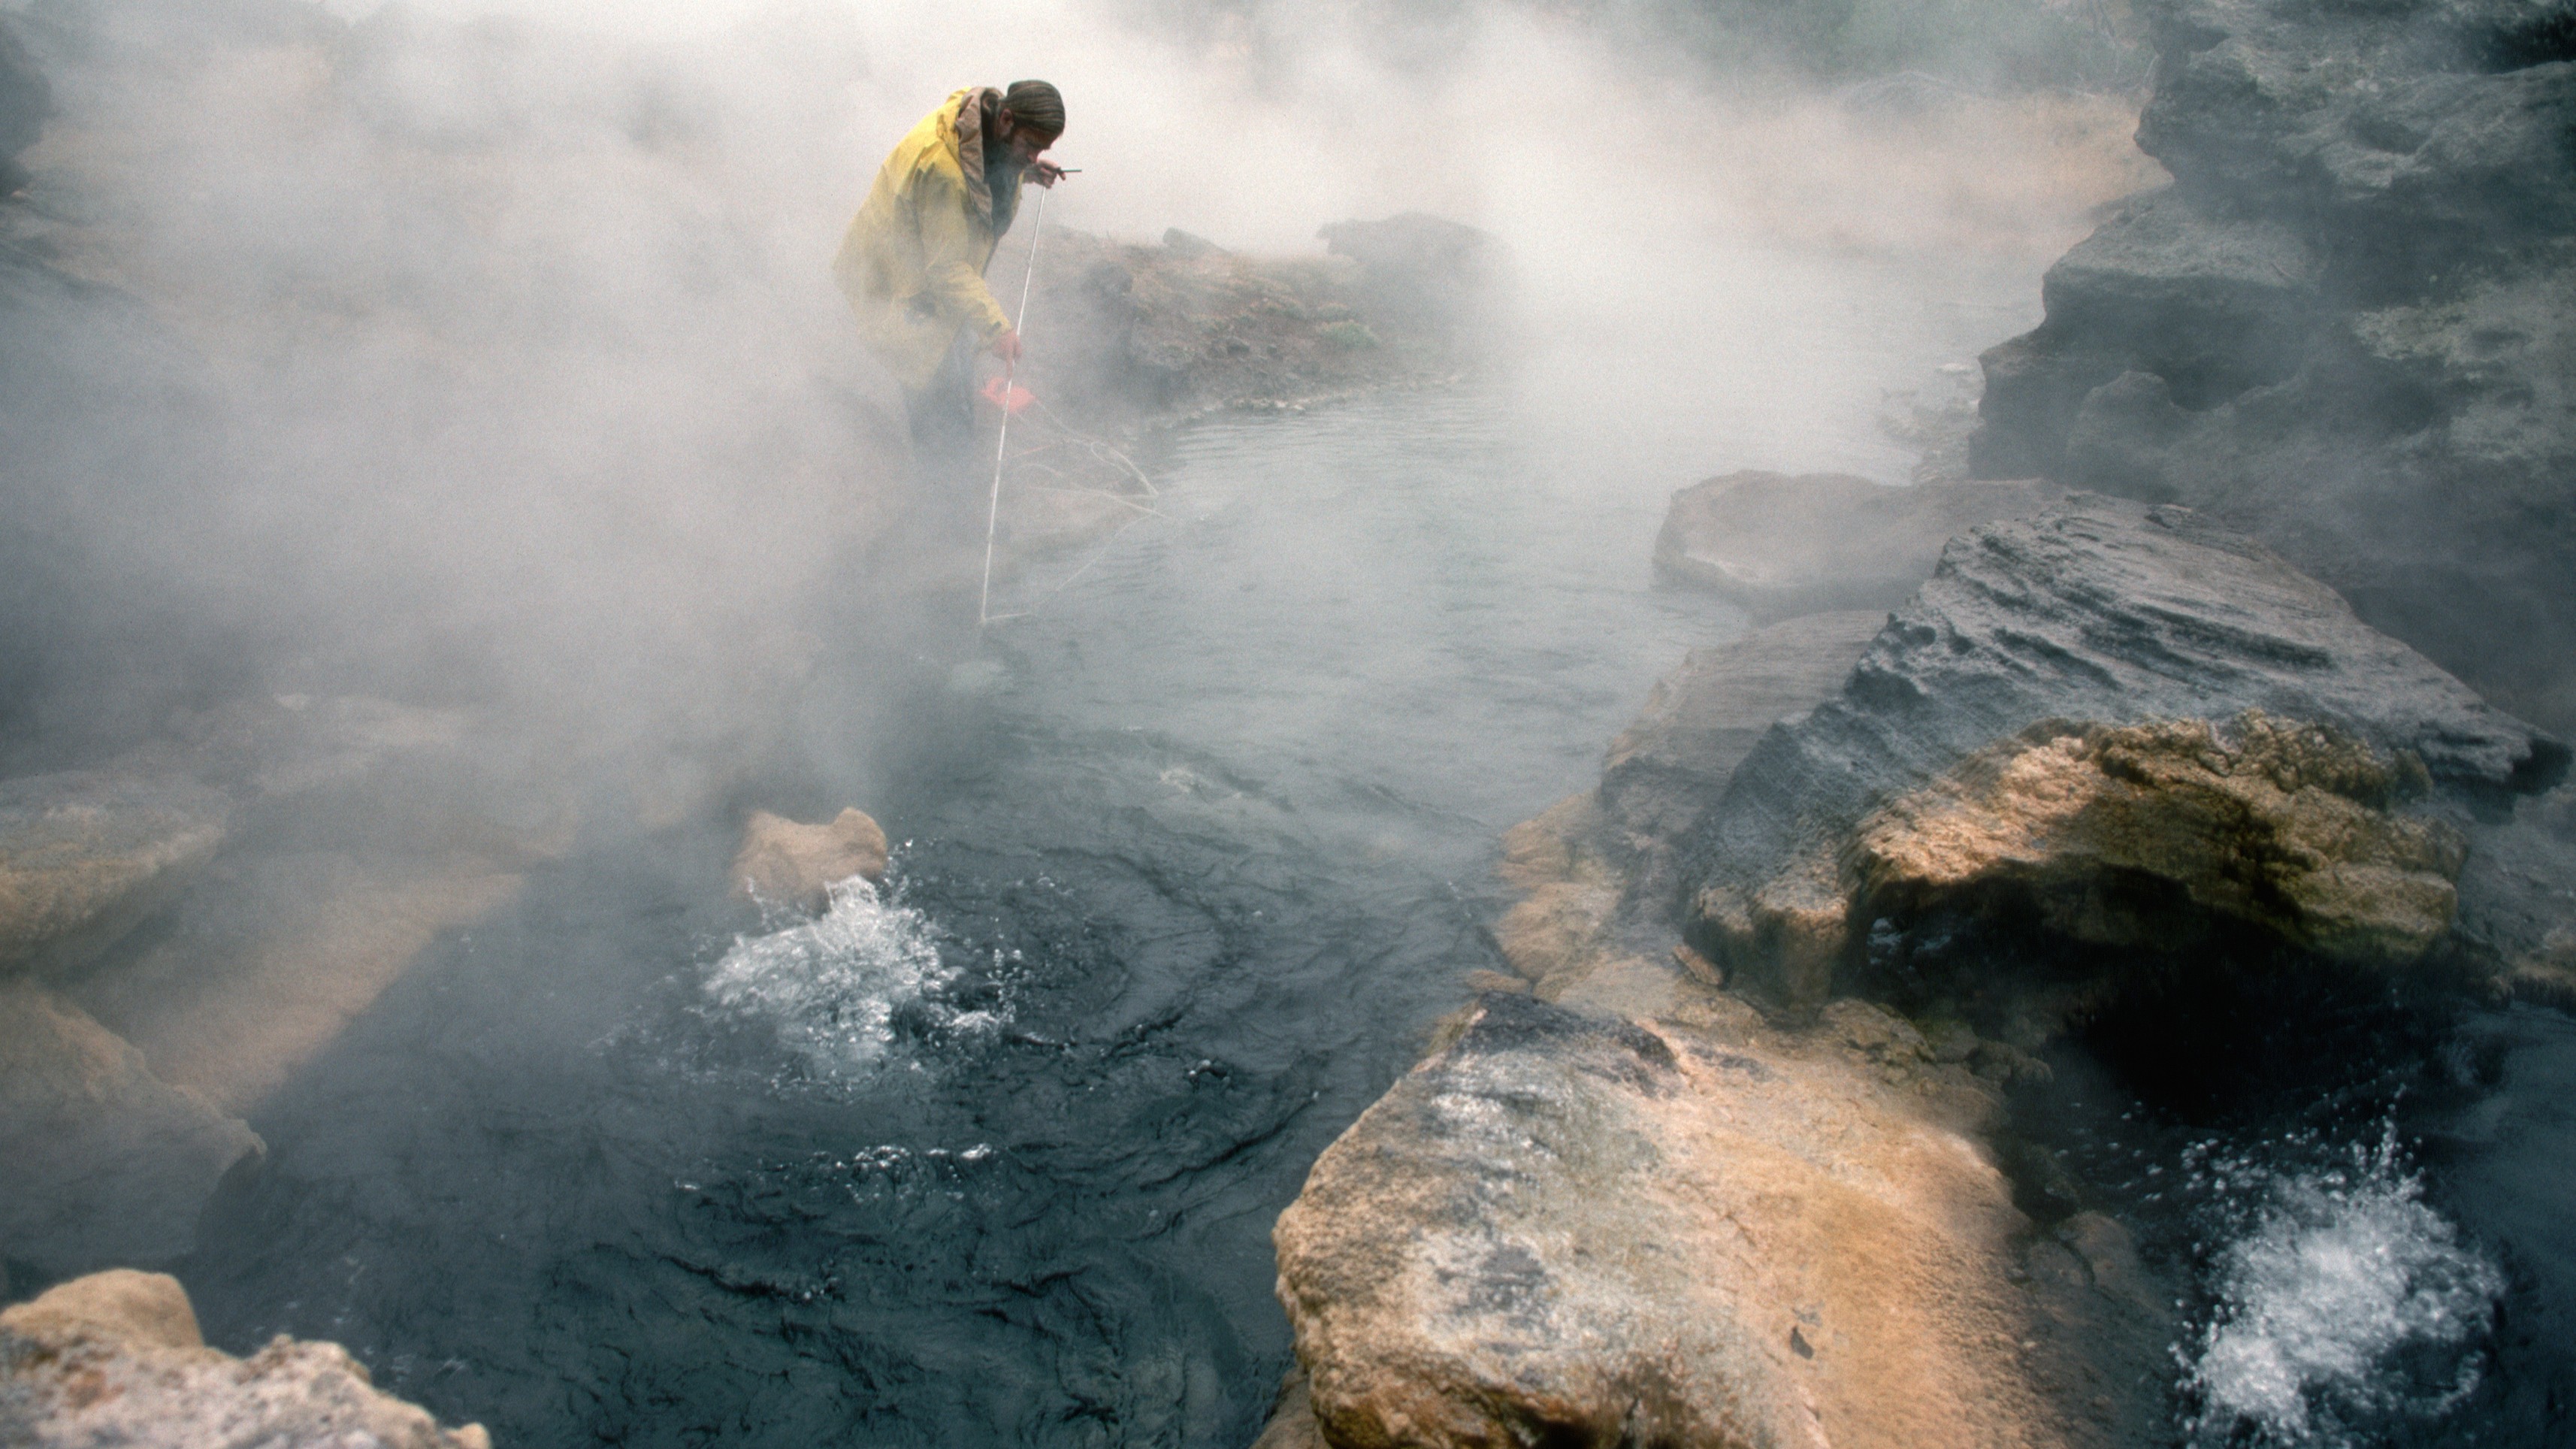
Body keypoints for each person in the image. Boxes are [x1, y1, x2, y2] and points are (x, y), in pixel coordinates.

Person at [833, 80, 1066, 474]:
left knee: (955, 388)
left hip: (923, 280)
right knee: (939, 411)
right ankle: (945, 520)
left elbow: (982, 176)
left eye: (1043, 149)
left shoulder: (979, 123)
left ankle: (954, 500)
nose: (1034, 154)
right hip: (896, 288)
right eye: (1032, 145)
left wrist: (1024, 171)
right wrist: (997, 328)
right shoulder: (942, 170)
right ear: (1007, 119)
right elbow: (946, 268)